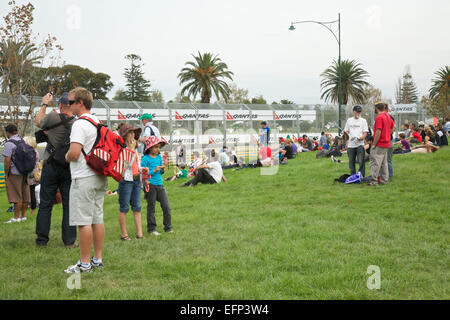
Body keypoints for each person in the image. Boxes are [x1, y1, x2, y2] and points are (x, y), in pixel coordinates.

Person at [64, 87, 108, 273]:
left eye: (71, 102)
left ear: (80, 103)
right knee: (97, 218)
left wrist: (66, 156)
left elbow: (74, 153)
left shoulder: (79, 124)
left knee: (84, 222)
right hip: (99, 176)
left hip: (83, 177)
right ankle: (97, 259)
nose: (69, 105)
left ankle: (84, 264)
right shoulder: (97, 122)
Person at [34, 92, 77, 247]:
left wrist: (44, 103)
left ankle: (41, 240)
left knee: (45, 204)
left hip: (51, 164)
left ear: (60, 105)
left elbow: (38, 121)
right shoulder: (76, 123)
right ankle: (70, 241)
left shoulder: (53, 117)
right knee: (69, 204)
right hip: (68, 166)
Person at [117, 123, 144, 241]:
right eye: (130, 132)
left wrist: (142, 169)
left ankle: (140, 234)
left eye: (134, 132)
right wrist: (131, 150)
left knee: (137, 207)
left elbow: (136, 165)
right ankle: (124, 235)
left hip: (137, 180)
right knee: (124, 208)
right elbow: (126, 164)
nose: (133, 134)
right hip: (126, 181)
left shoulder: (135, 148)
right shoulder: (122, 149)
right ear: (125, 135)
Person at [141, 136, 173, 235]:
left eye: (159, 147)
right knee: (151, 207)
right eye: (156, 147)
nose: (158, 149)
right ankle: (151, 229)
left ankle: (168, 227)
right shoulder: (145, 159)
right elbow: (143, 174)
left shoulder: (159, 158)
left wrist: (162, 170)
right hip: (151, 185)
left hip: (160, 185)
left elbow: (161, 173)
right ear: (150, 148)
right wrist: (153, 171)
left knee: (166, 207)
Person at [3, 124, 31, 223]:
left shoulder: (9, 144)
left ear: (7, 132)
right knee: (24, 195)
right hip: (24, 171)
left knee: (16, 195)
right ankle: (23, 216)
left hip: (14, 172)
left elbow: (7, 160)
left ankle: (16, 218)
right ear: (16, 131)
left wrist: (6, 173)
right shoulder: (22, 141)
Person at [368, 102, 395, 186]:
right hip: (386, 143)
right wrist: (387, 134)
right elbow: (394, 127)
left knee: (375, 163)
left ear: (376, 108)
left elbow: (378, 131)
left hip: (380, 143)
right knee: (384, 163)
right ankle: (384, 180)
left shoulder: (379, 117)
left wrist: (374, 143)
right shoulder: (387, 115)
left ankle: (374, 182)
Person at [344, 105, 369, 177]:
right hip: (351, 145)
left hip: (360, 144)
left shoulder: (363, 121)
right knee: (351, 162)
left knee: (361, 161)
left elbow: (365, 133)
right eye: (357, 112)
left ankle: (361, 176)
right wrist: (346, 136)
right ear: (353, 112)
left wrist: (361, 138)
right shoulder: (349, 120)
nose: (358, 113)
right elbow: (346, 131)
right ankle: (353, 176)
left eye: (360, 112)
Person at [23, 136, 40, 216]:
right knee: (32, 191)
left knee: (28, 192)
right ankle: (32, 209)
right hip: (35, 173)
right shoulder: (36, 151)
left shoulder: (29, 152)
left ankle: (29, 209)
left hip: (30, 173)